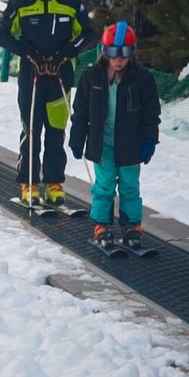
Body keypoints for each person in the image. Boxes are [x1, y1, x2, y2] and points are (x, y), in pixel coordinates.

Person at [0, 0, 97, 206]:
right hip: (32, 73)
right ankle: (28, 181)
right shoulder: (20, 2)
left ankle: (54, 181)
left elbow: (89, 33)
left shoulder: (70, 2)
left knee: (56, 130)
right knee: (31, 129)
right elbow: (3, 35)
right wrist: (27, 51)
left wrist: (67, 51)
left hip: (60, 73)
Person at [70, 22, 161, 249]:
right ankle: (101, 224)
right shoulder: (92, 77)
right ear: (104, 51)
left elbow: (151, 113)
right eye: (112, 53)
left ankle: (132, 225)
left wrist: (149, 140)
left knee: (130, 185)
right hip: (103, 143)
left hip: (131, 142)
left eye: (124, 53)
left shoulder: (142, 79)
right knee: (104, 184)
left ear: (132, 52)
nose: (118, 60)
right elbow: (81, 111)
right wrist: (77, 139)